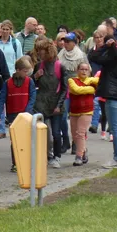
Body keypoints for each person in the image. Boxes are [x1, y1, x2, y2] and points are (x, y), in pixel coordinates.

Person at [89, 33, 117, 168]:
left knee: (116, 129)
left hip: (112, 96)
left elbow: (93, 56)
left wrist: (103, 47)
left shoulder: (113, 57)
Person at [0, 56, 36, 172]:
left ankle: (26, 162)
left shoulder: (30, 81)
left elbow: (32, 96)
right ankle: (15, 163)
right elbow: (1, 99)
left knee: (27, 139)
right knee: (15, 140)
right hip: (13, 114)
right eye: (25, 71)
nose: (26, 73)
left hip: (26, 115)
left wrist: (28, 110)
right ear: (18, 70)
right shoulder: (8, 83)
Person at [32, 39, 67, 168]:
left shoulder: (60, 66)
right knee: (43, 132)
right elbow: (32, 85)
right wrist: (35, 77)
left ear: (47, 51)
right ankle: (46, 156)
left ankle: (57, 157)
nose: (39, 53)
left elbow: (64, 88)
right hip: (41, 103)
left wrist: (59, 105)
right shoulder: (38, 66)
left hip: (56, 103)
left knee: (56, 133)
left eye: (40, 50)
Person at [68, 62, 98, 166]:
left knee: (81, 133)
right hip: (74, 111)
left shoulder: (93, 81)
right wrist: (90, 89)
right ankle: (84, 151)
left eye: (86, 69)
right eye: (82, 69)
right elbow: (75, 90)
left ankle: (79, 156)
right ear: (77, 70)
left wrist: (90, 83)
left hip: (87, 111)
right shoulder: (72, 80)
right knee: (74, 135)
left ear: (89, 71)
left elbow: (100, 80)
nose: (84, 71)